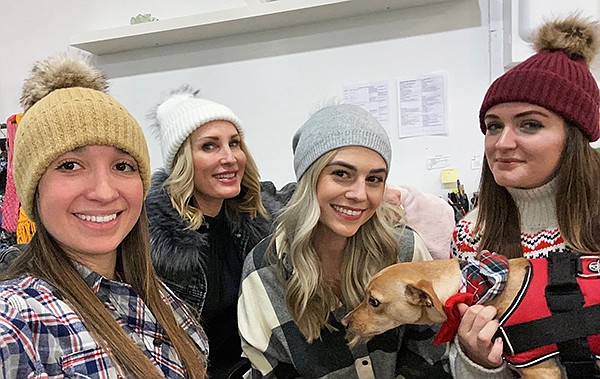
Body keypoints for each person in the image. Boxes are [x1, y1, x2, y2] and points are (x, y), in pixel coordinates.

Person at [0, 55, 208, 378]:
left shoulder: (166, 304)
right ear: (33, 188)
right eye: (70, 165)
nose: (104, 192)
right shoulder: (15, 322)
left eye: (122, 166)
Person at [238, 103, 450, 378]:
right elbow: (270, 371)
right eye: (341, 174)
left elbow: (430, 353)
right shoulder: (265, 272)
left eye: (374, 179)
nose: (360, 194)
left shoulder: (406, 250)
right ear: (308, 178)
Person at [449, 15, 600, 378]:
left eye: (530, 124)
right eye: (493, 126)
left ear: (574, 137)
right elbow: (458, 365)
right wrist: (478, 361)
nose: (502, 143)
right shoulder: (470, 237)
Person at [146, 87, 295, 378]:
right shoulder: (153, 235)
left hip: (253, 368)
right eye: (210, 146)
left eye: (235, 143)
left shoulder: (253, 212)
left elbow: (300, 195)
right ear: (182, 161)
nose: (230, 158)